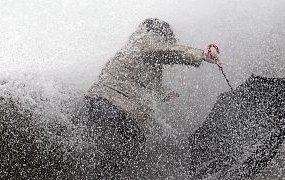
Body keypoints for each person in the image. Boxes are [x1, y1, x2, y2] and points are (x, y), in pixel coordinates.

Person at [82, 18, 220, 178]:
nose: (169, 41)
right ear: (160, 33)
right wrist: (202, 55)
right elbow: (164, 50)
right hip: (115, 110)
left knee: (106, 157)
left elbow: (139, 84)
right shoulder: (147, 40)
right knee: (125, 150)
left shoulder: (130, 50)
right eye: (168, 38)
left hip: (98, 104)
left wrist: (165, 93)